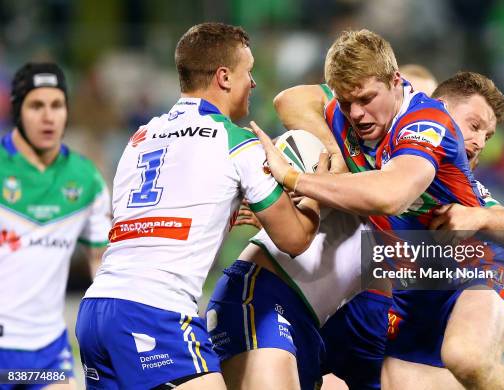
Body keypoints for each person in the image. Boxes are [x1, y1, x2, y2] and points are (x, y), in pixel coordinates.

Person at [253, 29, 504, 390]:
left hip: (475, 263)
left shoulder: (427, 124)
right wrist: (333, 155)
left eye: (367, 98)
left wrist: (294, 179)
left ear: (395, 82)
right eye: (346, 100)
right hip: (415, 283)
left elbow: (390, 195)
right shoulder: (351, 110)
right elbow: (289, 101)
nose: (356, 113)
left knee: (466, 358)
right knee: (361, 368)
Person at [75, 22, 320, 390]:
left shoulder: (140, 138)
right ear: (224, 77)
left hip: (96, 311)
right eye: (247, 72)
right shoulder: (237, 143)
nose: (252, 83)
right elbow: (296, 239)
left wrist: (231, 211)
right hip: (156, 311)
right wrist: (311, 184)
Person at [0, 62, 111, 390]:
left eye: (56, 105)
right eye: (36, 106)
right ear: (18, 110)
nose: (48, 116)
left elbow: (100, 262)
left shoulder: (85, 179)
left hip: (48, 351)